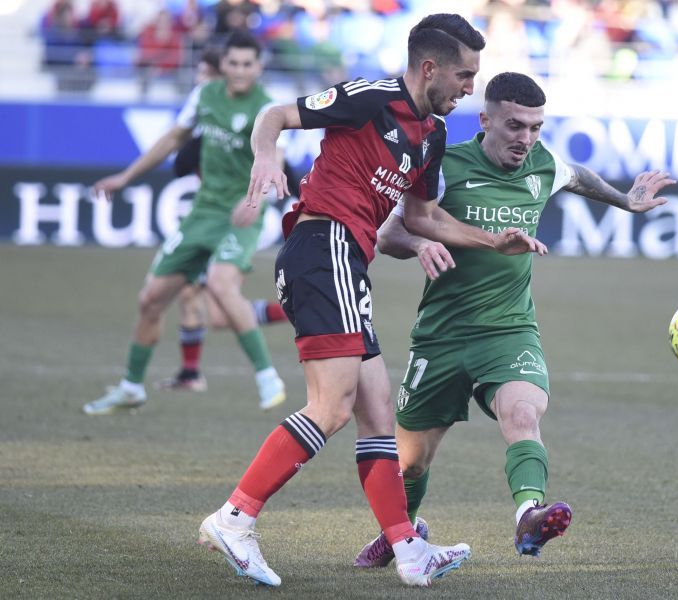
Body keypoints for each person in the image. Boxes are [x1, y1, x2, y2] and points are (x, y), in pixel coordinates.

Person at [197, 14, 546, 588]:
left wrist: (493, 240)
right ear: (429, 67)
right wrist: (266, 156)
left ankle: (408, 550)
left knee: (378, 412)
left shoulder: (431, 136)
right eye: (463, 76)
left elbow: (421, 218)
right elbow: (276, 116)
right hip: (322, 242)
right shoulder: (372, 97)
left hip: (349, 261)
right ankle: (235, 517)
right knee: (331, 407)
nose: (468, 87)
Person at [353, 72, 674, 566]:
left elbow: (577, 175)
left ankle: (529, 514)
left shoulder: (542, 165)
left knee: (523, 416)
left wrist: (624, 201)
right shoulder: (443, 166)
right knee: (412, 461)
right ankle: (399, 535)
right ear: (485, 121)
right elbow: (390, 234)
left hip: (509, 331)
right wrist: (421, 243)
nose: (525, 139)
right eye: (514, 126)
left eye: (535, 128)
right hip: (440, 337)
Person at [82, 31, 287, 415]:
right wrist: (125, 178)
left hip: (240, 214)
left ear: (258, 67)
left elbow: (274, 161)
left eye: (248, 64)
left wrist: (255, 202)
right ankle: (131, 387)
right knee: (150, 300)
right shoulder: (204, 97)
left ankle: (267, 377)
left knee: (224, 286)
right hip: (202, 213)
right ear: (223, 64)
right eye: (234, 63)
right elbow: (173, 139)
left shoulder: (269, 109)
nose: (240, 71)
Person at [156, 47, 290, 393]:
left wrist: (259, 195)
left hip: (237, 217)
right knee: (214, 313)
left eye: (205, 73)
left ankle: (197, 372)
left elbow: (282, 163)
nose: (200, 80)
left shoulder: (255, 118)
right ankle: (191, 372)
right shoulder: (206, 120)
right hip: (211, 214)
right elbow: (181, 163)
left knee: (209, 302)